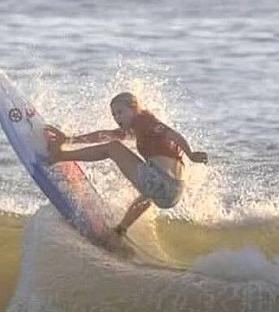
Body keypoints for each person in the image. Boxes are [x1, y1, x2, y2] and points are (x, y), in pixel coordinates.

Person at [45, 91, 208, 239]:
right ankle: (120, 230)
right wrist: (69, 139)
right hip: (172, 193)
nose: (117, 117)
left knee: (113, 147)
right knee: (147, 192)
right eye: (114, 114)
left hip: (163, 183)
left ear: (134, 108)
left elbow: (172, 134)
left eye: (120, 112)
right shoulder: (136, 127)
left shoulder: (143, 121)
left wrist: (191, 154)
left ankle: (60, 155)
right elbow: (104, 135)